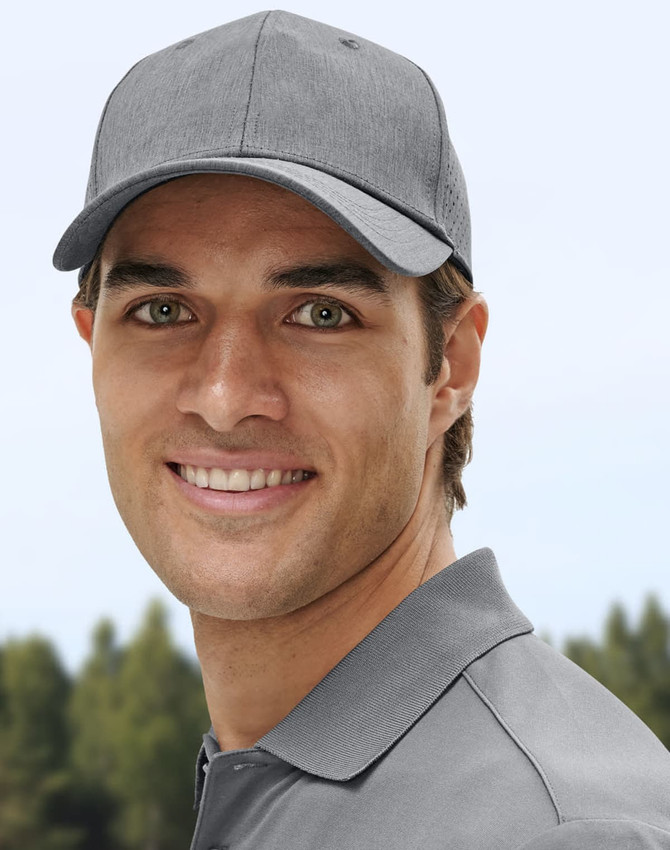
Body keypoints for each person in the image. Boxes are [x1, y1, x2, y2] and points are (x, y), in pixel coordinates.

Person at [53, 10, 670, 849]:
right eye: (163, 310)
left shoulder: (558, 832)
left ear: (450, 363)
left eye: (319, 313)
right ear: (92, 343)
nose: (227, 396)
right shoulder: (274, 776)